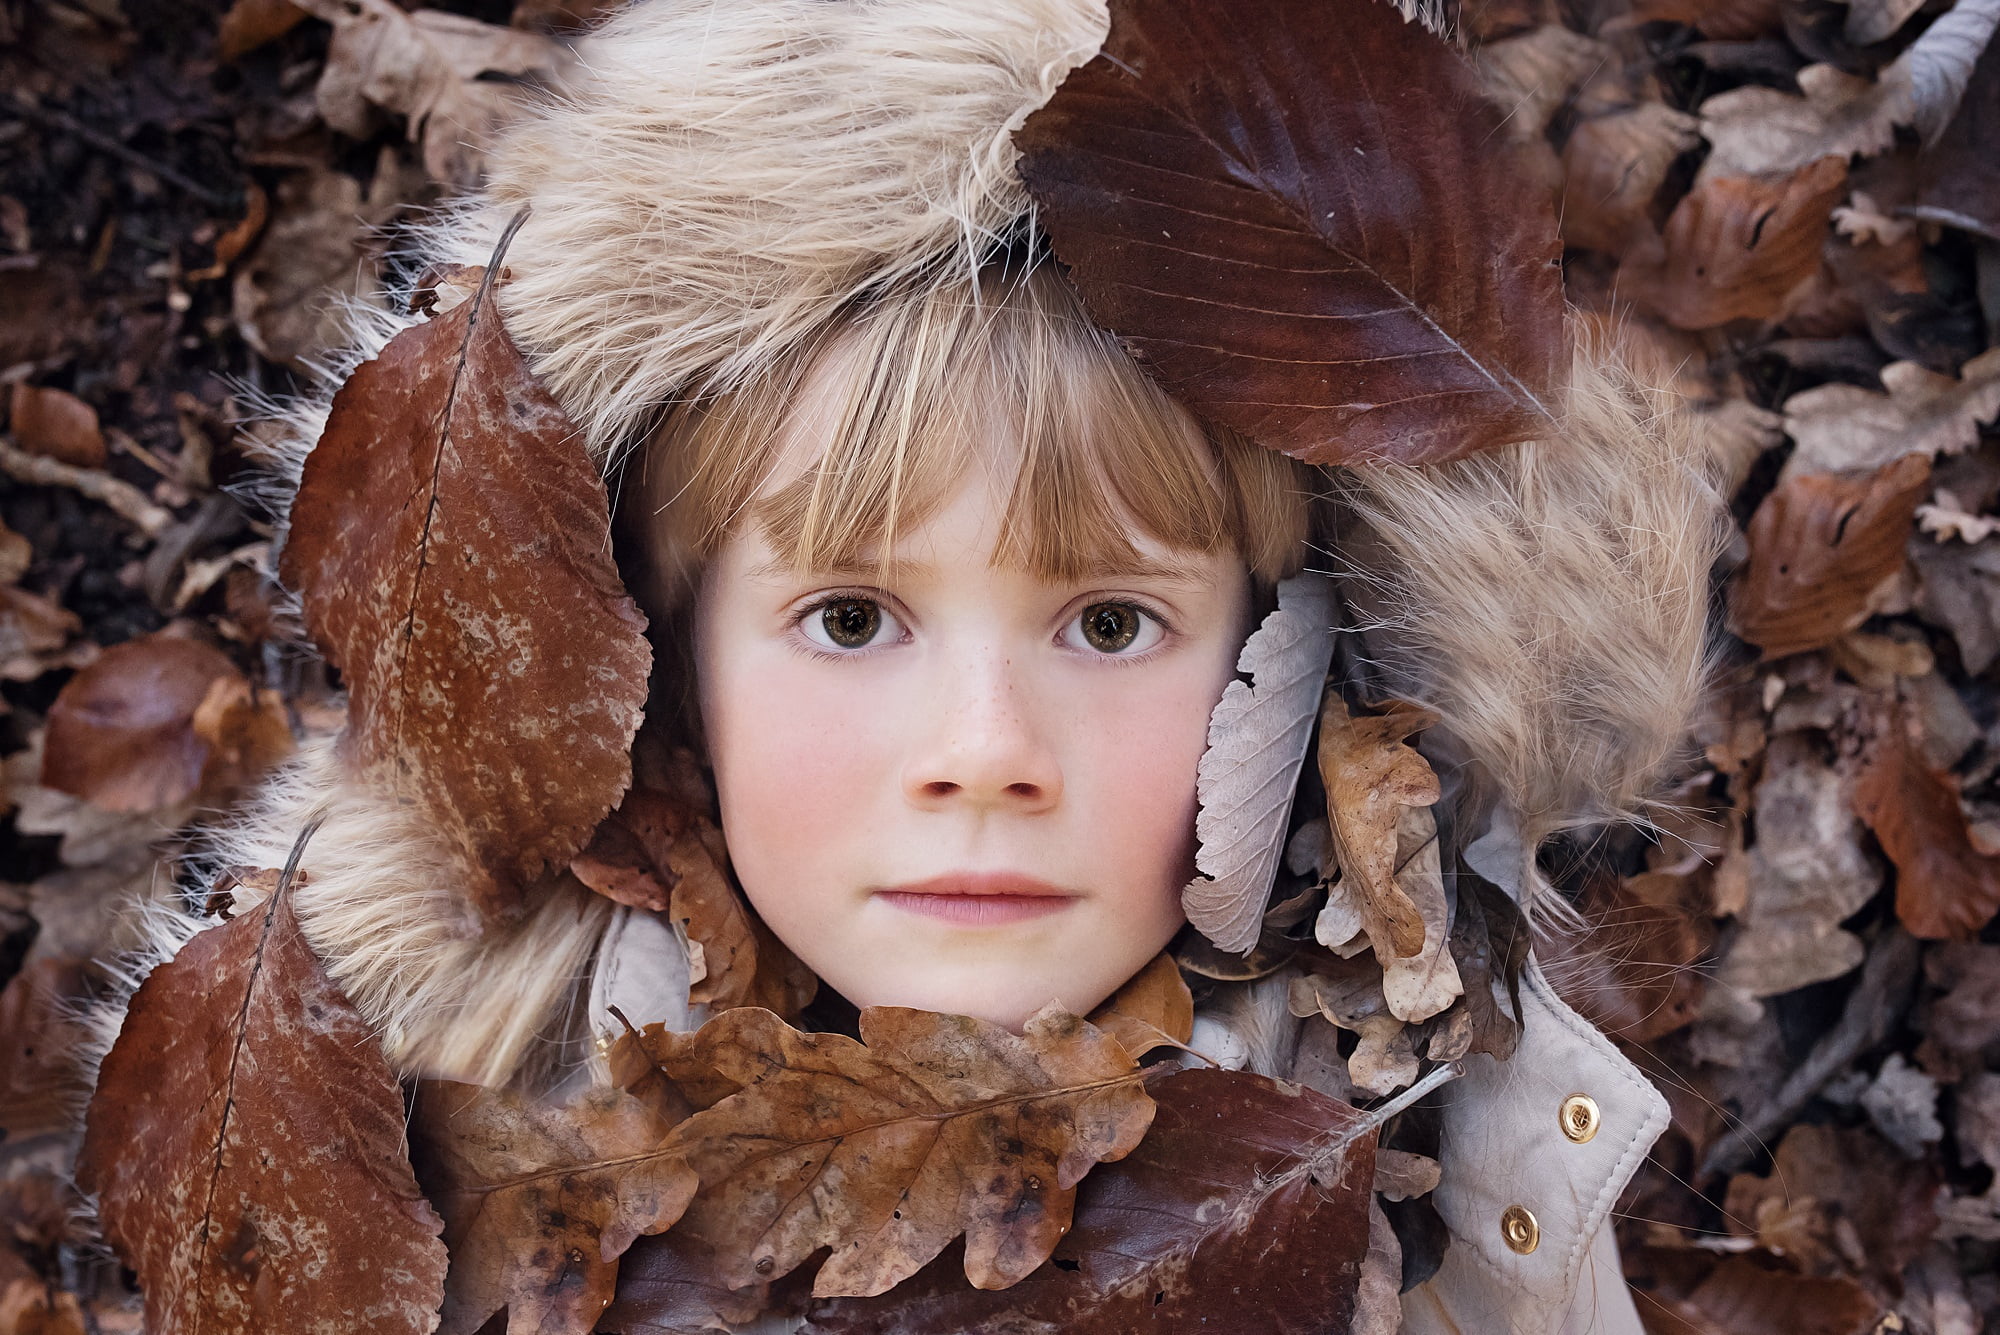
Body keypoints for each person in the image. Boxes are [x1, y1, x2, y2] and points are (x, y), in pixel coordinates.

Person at [82, 1, 1721, 1331]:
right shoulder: (433, 1196)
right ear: (653, 672)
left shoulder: (1443, 1153)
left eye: (1109, 623)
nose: (985, 750)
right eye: (853, 621)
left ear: (1294, 654)